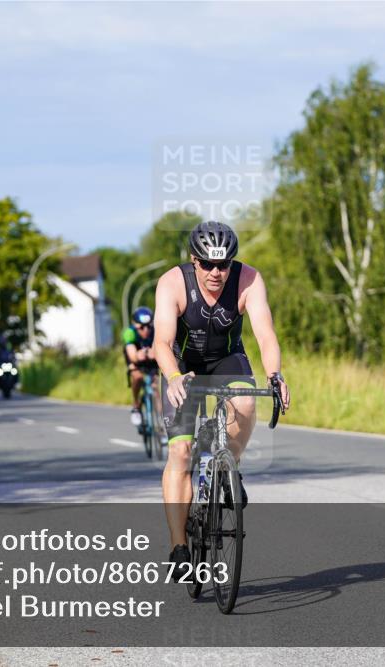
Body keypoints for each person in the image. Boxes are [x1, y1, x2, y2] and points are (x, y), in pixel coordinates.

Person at [153, 220, 291, 578]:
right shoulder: (172, 282)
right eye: (208, 264)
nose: (217, 273)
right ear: (193, 260)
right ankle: (179, 546)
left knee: (245, 402)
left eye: (224, 264)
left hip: (227, 359)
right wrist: (172, 377)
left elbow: (265, 335)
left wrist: (275, 376)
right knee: (181, 453)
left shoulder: (249, 280)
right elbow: (162, 342)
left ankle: (230, 467)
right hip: (182, 364)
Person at [123, 306, 157, 429]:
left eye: (148, 326)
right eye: (142, 327)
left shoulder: (156, 330)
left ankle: (161, 421)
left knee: (157, 385)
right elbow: (132, 355)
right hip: (136, 359)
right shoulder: (130, 333)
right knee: (137, 377)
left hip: (151, 360)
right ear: (135, 325)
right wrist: (139, 355)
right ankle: (136, 405)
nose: (146, 330)